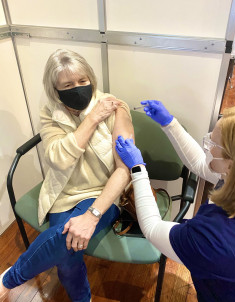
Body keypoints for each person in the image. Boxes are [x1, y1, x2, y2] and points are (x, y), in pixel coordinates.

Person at [0, 49, 134, 302]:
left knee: (64, 241)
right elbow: (59, 159)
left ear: (91, 78)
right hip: (64, 192)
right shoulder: (50, 112)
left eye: (83, 81)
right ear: (55, 89)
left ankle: (8, 280)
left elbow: (123, 170)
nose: (78, 88)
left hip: (104, 193)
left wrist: (92, 216)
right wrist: (92, 118)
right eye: (68, 84)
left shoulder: (116, 107)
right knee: (69, 251)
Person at [116, 100, 235, 302]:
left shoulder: (214, 238)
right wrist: (169, 123)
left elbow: (152, 228)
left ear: (232, 163)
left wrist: (137, 167)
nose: (208, 148)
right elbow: (200, 165)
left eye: (212, 144)